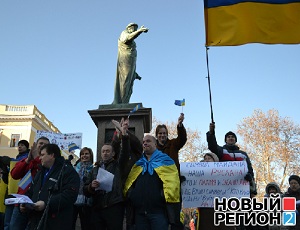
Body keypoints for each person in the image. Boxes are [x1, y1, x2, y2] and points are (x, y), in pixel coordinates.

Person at [123, 134, 181, 230]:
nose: (145, 143)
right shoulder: (138, 163)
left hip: (158, 213)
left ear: (155, 144)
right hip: (140, 214)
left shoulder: (165, 161)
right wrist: (132, 195)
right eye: (143, 142)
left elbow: (173, 183)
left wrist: (161, 196)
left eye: (148, 141)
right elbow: (130, 183)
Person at [20, 144, 80, 230]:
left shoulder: (67, 171)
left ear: (52, 155)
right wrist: (24, 203)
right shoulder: (40, 172)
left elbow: (70, 195)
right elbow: (31, 190)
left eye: (43, 155)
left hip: (56, 222)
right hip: (36, 221)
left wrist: (47, 204)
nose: (40, 158)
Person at [83, 130, 130, 229]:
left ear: (113, 154)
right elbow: (85, 190)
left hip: (114, 207)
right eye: (103, 151)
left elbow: (125, 153)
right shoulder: (94, 170)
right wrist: (91, 186)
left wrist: (124, 136)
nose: (105, 153)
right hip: (97, 208)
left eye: (108, 151)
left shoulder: (118, 166)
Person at [8, 137, 50, 230]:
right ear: (36, 145)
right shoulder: (27, 159)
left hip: (35, 203)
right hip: (21, 201)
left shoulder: (47, 163)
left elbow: (43, 171)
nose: (42, 146)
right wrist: (27, 160)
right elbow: (14, 174)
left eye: (45, 144)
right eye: (40, 143)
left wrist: (36, 158)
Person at [206, 123, 256, 195]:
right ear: (225, 140)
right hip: (225, 187)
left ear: (235, 140)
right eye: (228, 137)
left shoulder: (243, 154)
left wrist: (251, 178)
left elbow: (250, 169)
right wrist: (211, 133)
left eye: (232, 137)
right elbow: (212, 146)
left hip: (242, 187)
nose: (230, 138)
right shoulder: (221, 151)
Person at [112, 22, 149, 104]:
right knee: (125, 81)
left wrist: (134, 74)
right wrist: (140, 31)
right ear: (129, 28)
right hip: (124, 60)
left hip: (130, 63)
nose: (134, 31)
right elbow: (127, 38)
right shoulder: (124, 33)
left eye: (135, 29)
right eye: (133, 29)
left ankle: (125, 102)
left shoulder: (132, 41)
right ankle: (121, 102)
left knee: (129, 84)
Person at [4, 139, 30, 230]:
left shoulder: (27, 159)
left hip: (20, 194)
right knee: (7, 221)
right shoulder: (15, 159)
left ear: (27, 147)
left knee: (14, 224)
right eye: (19, 145)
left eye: (22, 145)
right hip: (11, 191)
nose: (19, 147)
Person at [72, 147, 94, 230]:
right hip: (74, 199)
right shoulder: (74, 169)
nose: (84, 156)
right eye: (82, 154)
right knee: (71, 224)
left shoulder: (94, 169)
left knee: (86, 225)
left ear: (91, 155)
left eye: (86, 154)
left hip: (87, 201)